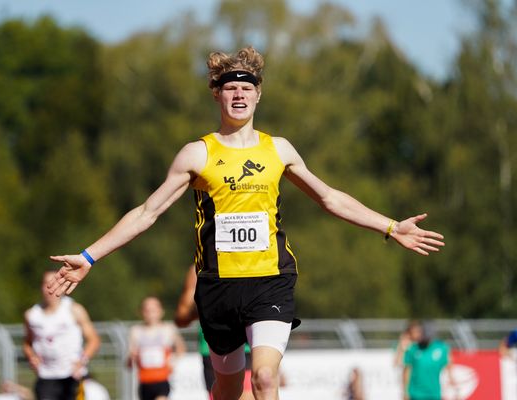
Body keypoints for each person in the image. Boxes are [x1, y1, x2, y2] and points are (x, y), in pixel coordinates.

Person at [48, 46, 445, 400]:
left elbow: (329, 197)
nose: (239, 95)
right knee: (226, 389)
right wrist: (89, 255)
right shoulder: (197, 154)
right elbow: (147, 213)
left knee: (265, 380)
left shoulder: (279, 149)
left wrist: (391, 227)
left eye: (247, 87)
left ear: (258, 94)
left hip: (270, 278)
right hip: (218, 287)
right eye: (230, 88)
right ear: (217, 94)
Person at [175, 264, 254, 399]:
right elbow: (181, 317)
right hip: (213, 347)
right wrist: (209, 302)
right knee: (221, 396)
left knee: (247, 395)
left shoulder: (250, 258)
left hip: (247, 345)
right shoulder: (199, 267)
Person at [24, 271, 101, 400]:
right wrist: (32, 357)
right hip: (46, 376)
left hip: (72, 375)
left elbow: (94, 340)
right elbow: (27, 343)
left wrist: (82, 361)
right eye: (47, 284)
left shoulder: (74, 310)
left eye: (56, 283)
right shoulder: (32, 315)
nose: (51, 288)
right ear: (41, 287)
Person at [127, 296, 186, 400]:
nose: (150, 314)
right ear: (142, 312)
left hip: (161, 381)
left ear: (161, 311)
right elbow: (129, 362)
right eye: (147, 310)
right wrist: (132, 358)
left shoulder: (168, 329)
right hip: (144, 382)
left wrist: (173, 360)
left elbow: (181, 348)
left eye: (153, 310)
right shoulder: (135, 331)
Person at [402, 321, 455, 400]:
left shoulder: (440, 348)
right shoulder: (412, 349)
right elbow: (406, 371)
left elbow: (448, 363)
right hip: (416, 395)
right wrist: (405, 392)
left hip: (434, 394)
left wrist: (452, 382)